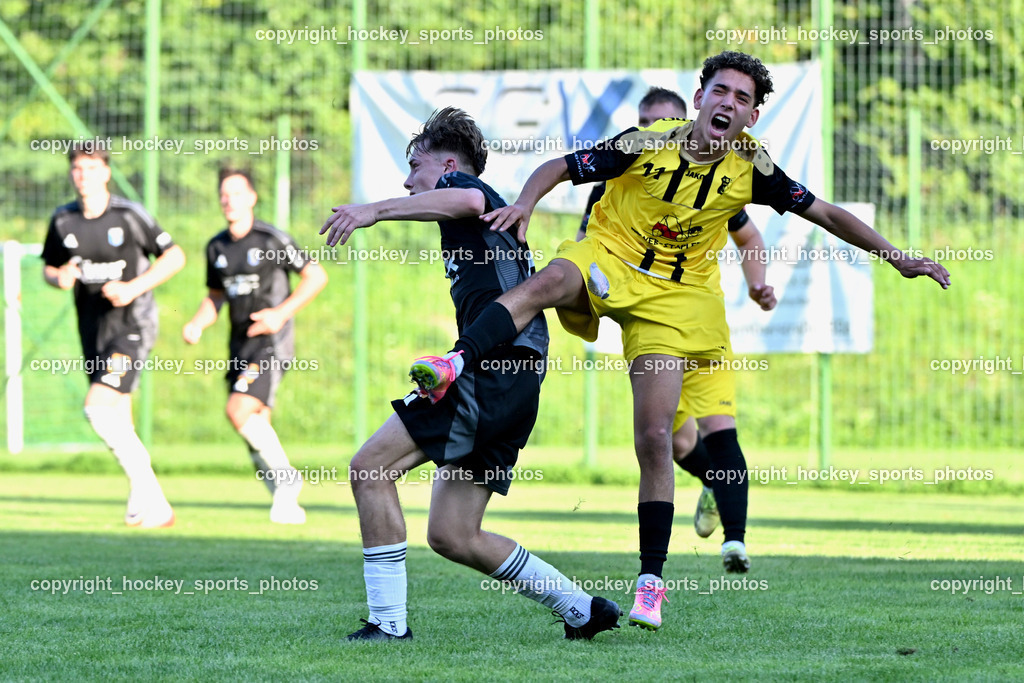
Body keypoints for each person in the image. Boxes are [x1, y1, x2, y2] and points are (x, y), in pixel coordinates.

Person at [408, 51, 951, 632]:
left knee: (655, 435)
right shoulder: (645, 143)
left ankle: (650, 585)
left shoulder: (753, 167)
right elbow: (560, 166)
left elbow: (825, 213)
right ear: (699, 98)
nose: (728, 103)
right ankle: (456, 361)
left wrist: (898, 258)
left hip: (673, 302)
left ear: (752, 116)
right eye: (720, 91)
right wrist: (524, 203)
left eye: (742, 99)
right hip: (608, 257)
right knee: (549, 281)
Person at [320, 107, 622, 641]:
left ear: (450, 163)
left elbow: (468, 196)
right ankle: (582, 608)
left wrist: (374, 211)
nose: (408, 179)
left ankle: (388, 625)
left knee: (370, 467)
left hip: (492, 372)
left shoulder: (468, 194)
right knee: (454, 534)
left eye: (416, 165)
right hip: (512, 377)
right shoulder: (474, 221)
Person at [578, 86, 778, 555]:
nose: (652, 131)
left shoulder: (717, 183)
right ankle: (714, 483)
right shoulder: (621, 179)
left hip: (697, 323)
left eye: (661, 121)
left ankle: (736, 541)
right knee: (675, 440)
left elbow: (749, 237)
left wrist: (758, 285)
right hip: (649, 325)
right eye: (645, 121)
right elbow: (589, 248)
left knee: (717, 428)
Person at [42, 141, 186, 528]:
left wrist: (133, 289)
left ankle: (153, 500)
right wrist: (59, 277)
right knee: (119, 418)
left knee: (98, 406)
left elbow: (175, 256)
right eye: (77, 168)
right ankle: (144, 501)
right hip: (92, 330)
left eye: (91, 168)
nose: (83, 176)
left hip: (133, 325)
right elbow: (50, 267)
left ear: (106, 172)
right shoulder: (61, 220)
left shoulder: (129, 215)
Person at [183, 168, 327, 524]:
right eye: (224, 194)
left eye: (236, 192)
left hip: (271, 343)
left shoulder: (270, 239)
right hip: (239, 347)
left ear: (252, 198)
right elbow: (215, 296)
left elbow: (316, 275)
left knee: (238, 411)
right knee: (256, 425)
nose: (229, 200)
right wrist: (197, 322)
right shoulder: (216, 246)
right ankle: (285, 504)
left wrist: (280, 313)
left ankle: (288, 482)